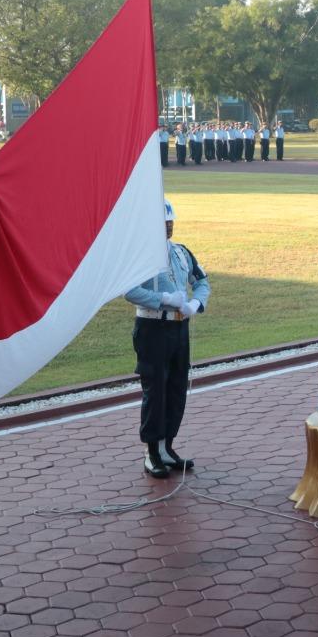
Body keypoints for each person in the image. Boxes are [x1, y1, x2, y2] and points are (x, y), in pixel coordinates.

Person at [125, 199, 211, 478]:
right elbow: (130, 291)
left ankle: (167, 447)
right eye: (164, 223)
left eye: (171, 221)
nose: (170, 226)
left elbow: (201, 281)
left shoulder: (181, 252)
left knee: (176, 387)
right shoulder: (140, 256)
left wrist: (195, 304)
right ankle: (152, 452)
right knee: (156, 390)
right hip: (153, 327)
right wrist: (163, 299)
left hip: (179, 328)